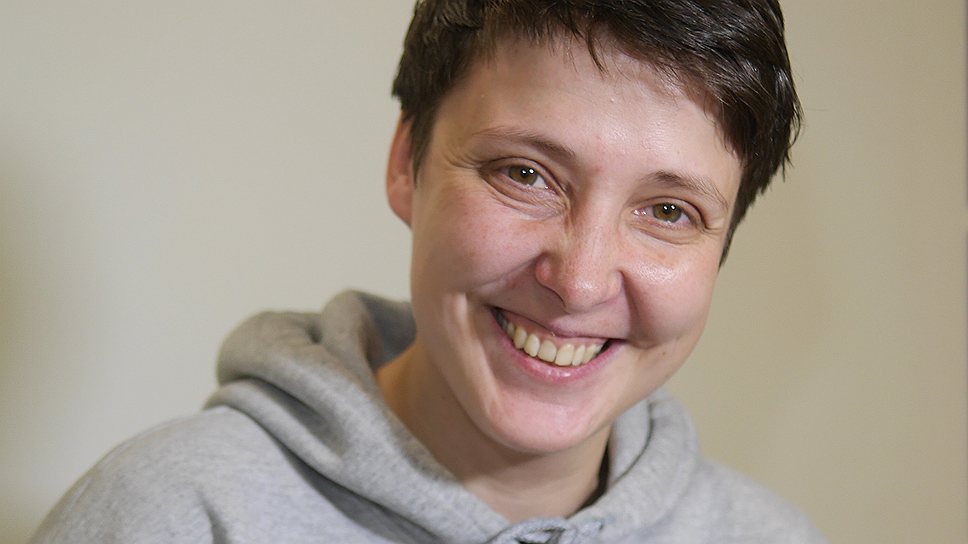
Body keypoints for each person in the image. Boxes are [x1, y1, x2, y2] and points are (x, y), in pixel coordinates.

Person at [32, 1, 824, 542]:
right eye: (525, 174)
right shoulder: (171, 516)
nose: (580, 281)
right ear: (406, 162)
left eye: (669, 212)